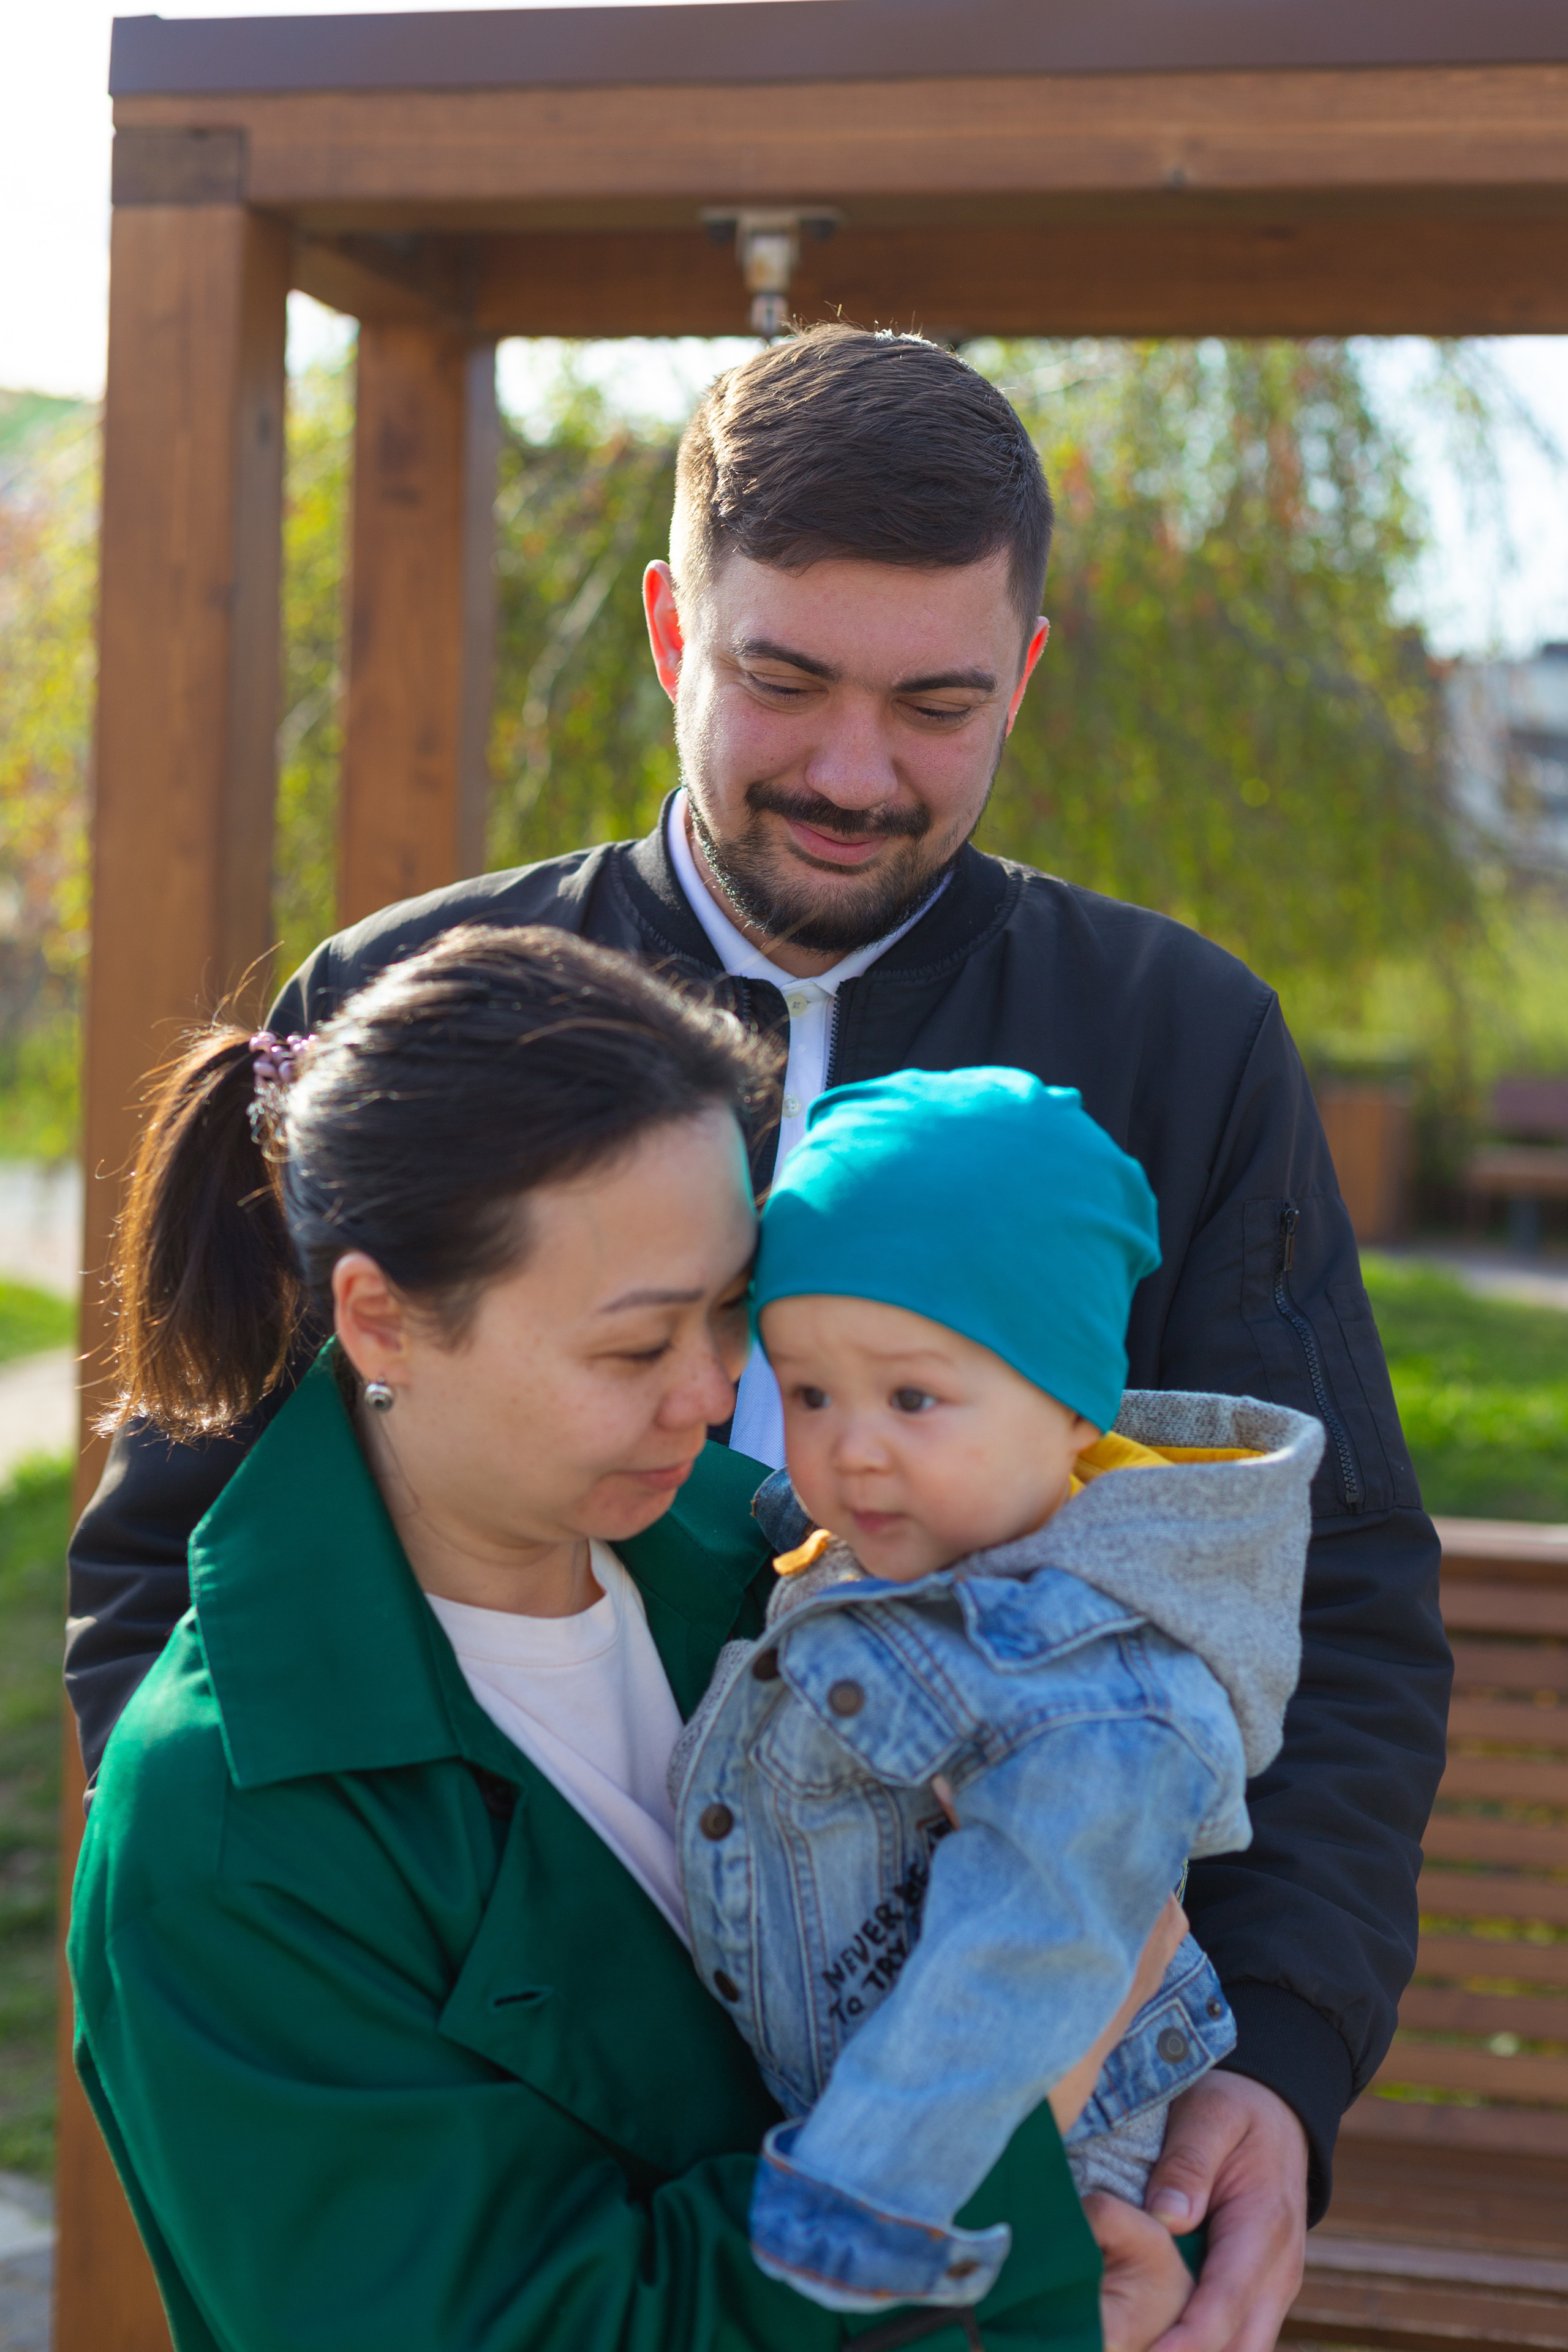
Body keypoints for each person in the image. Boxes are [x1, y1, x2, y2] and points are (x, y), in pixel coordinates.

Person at [66, 323, 1451, 2352]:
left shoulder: (1175, 1039)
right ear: (666, 630)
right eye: (784, 680)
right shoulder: (421, 998)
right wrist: (384, 1994)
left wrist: (1281, 2061)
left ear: (1027, 680)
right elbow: (167, 1564)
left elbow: (1320, 1584)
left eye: (937, 704)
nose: (851, 769)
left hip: (1029, 2139)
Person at [75, 925, 1174, 2352]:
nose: (713, 1397)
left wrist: (1099, 2259)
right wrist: (1014, 2110)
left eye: (732, 1313)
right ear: (382, 1320)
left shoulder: (775, 1559)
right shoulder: (226, 1826)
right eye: (633, 1348)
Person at [670, 1068, 1321, 2332]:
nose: (850, 1447)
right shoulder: (914, 1543)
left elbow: (1025, 1956)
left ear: (1071, 1407)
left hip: (990, 2168)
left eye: (912, 1397)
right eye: (808, 1394)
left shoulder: (1089, 1692)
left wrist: (856, 2209)